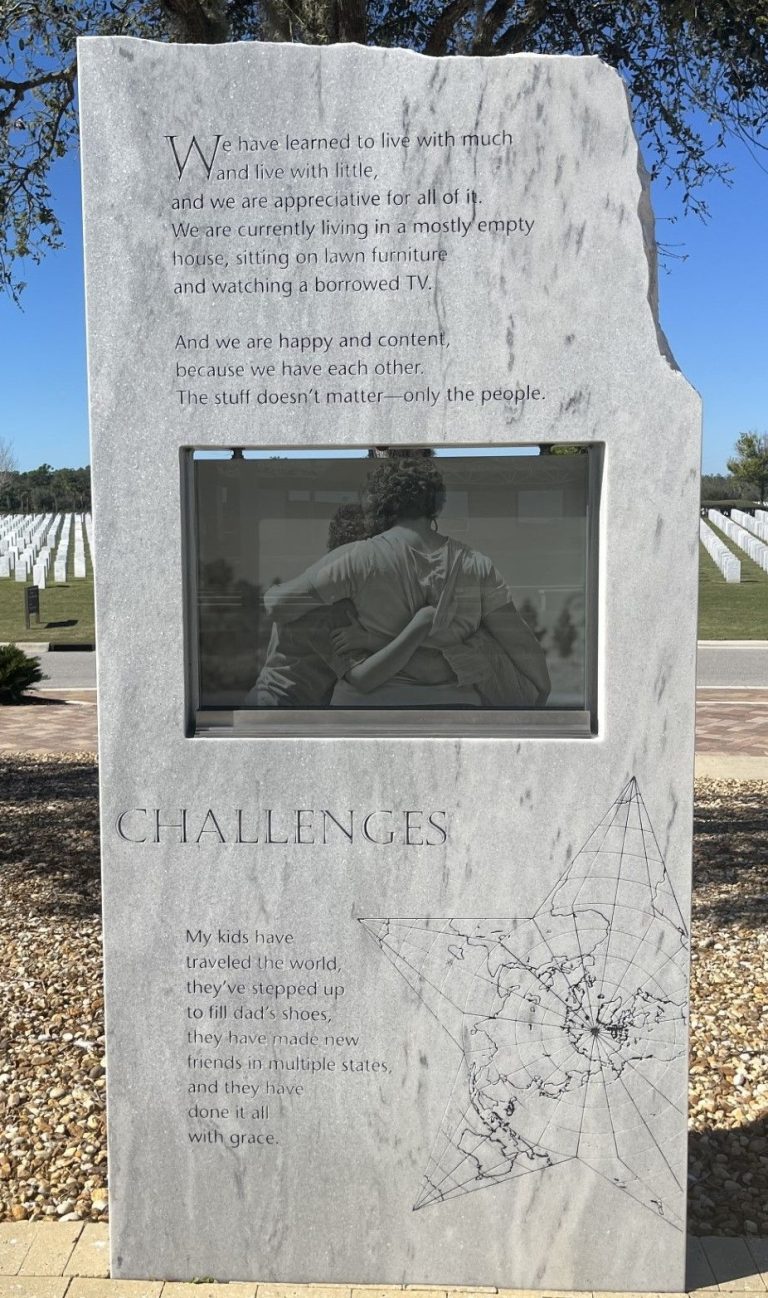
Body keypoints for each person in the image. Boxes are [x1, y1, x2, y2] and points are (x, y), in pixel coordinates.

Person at [264, 458, 550, 708]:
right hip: (455, 708)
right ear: (436, 505)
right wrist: (542, 691)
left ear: (381, 502)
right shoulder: (476, 564)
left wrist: (272, 590)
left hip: (366, 711)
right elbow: (522, 644)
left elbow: (281, 606)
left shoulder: (357, 558)